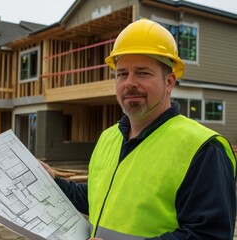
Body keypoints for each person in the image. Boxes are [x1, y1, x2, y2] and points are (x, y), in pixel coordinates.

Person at [41, 18, 236, 240]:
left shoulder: (204, 148)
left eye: (143, 73)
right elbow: (99, 197)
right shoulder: (109, 137)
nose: (129, 83)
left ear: (169, 82)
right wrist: (54, 181)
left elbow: (208, 235)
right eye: (122, 74)